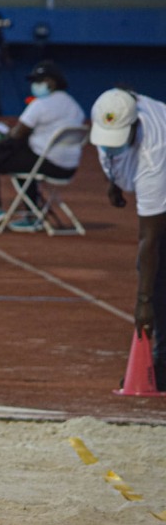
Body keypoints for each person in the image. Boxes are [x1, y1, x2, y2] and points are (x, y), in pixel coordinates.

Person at [91, 87, 166, 381]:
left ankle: (162, 361)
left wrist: (142, 303)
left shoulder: (154, 151)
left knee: (157, 270)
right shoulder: (111, 112)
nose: (110, 146)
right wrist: (115, 182)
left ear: (135, 127)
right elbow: (111, 152)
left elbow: (149, 238)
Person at [0, 60, 85, 232]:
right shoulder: (74, 106)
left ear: (52, 82)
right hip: (68, 167)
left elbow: (18, 133)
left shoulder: (40, 105)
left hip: (46, 163)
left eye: (39, 81)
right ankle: (32, 214)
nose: (35, 85)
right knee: (22, 158)